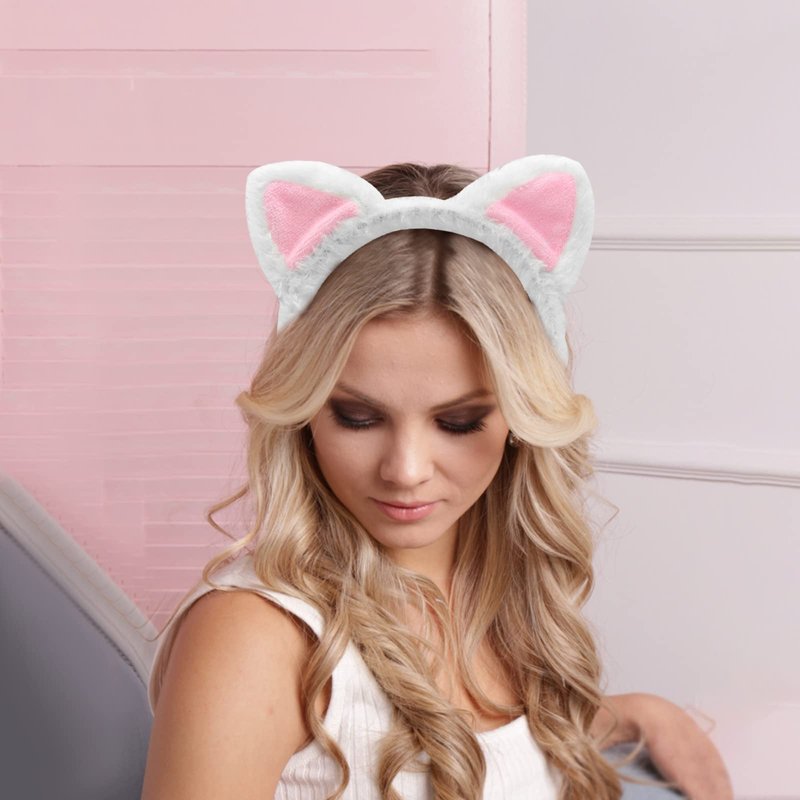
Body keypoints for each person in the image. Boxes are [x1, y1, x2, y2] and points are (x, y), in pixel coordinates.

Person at [141, 156, 733, 799]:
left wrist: (632, 714)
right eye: (358, 417)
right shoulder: (255, 637)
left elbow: (493, 748)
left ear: (520, 420)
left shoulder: (505, 608)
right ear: (305, 411)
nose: (405, 471)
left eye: (458, 422)